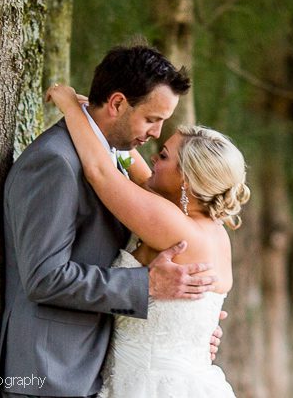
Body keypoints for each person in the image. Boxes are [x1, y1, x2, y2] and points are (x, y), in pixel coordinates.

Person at [0, 45, 224, 398]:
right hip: (49, 374)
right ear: (117, 103)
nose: (156, 134)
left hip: (90, 371)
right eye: (151, 119)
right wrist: (146, 286)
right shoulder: (56, 163)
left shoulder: (107, 158)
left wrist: (188, 326)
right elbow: (44, 277)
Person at [46, 82, 250, 398]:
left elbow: (101, 172)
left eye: (164, 156)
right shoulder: (209, 228)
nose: (153, 157)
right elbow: (139, 173)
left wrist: (72, 108)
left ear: (186, 181)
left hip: (150, 386)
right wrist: (104, 123)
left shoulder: (175, 228)